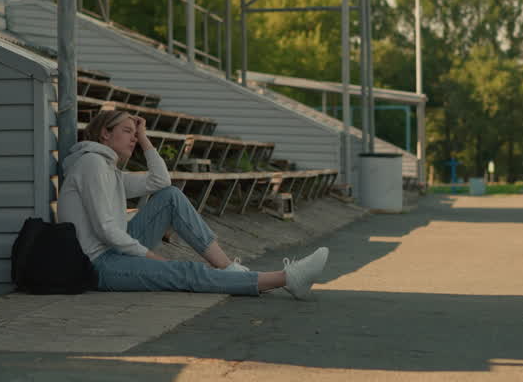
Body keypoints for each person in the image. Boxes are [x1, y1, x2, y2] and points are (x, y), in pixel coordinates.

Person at [57, 109, 329, 299]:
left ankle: (228, 269)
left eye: (134, 133)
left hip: (114, 251)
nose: (133, 138)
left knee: (171, 197)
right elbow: (106, 230)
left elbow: (160, 182)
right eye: (127, 131)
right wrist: (151, 257)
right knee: (183, 271)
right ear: (105, 134)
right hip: (99, 264)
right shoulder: (92, 163)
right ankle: (286, 279)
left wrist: (144, 137)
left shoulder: (108, 168)